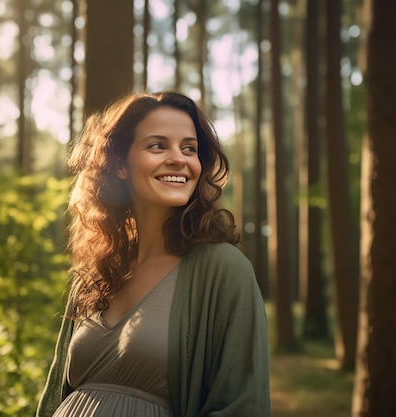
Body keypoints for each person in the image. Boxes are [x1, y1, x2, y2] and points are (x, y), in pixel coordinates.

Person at [37, 91, 270, 417]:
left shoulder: (223, 269)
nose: (179, 158)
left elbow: (242, 405)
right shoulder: (95, 276)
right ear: (119, 165)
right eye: (158, 145)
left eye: (189, 148)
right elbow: (54, 399)